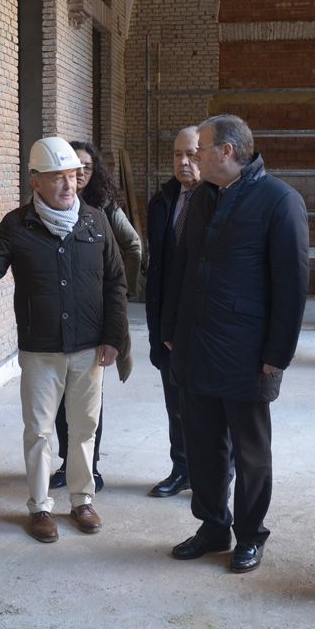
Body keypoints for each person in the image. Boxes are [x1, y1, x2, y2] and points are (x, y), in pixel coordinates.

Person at [0, 136, 128, 544]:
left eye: (72, 177)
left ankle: (82, 499)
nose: (68, 185)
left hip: (90, 346)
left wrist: (114, 337)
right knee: (39, 430)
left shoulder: (96, 221)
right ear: (36, 182)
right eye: (57, 178)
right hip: (41, 350)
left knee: (84, 427)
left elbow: (115, 282)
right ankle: (39, 507)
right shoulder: (17, 225)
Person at [161, 114, 309, 573]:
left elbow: (292, 285)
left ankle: (249, 535)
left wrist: (276, 355)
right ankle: (211, 527)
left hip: (247, 355)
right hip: (196, 346)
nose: (194, 156)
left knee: (250, 453)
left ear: (226, 152)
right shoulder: (203, 199)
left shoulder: (280, 201)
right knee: (203, 446)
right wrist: (171, 328)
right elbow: (182, 268)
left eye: (201, 148)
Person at [49, 140, 139, 493]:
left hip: (95, 315)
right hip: (57, 323)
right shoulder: (50, 207)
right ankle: (66, 462)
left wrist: (119, 289)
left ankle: (91, 466)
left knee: (88, 403)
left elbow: (133, 246)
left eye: (86, 167)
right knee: (58, 402)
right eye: (74, 167)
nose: (80, 174)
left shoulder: (103, 208)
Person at [144, 126, 219, 498]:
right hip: (167, 319)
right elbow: (157, 264)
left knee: (208, 407)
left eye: (191, 154)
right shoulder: (162, 200)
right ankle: (182, 468)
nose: (183, 162)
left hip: (205, 322)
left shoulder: (220, 200)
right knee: (175, 402)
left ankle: (214, 474)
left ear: (206, 155)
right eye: (177, 154)